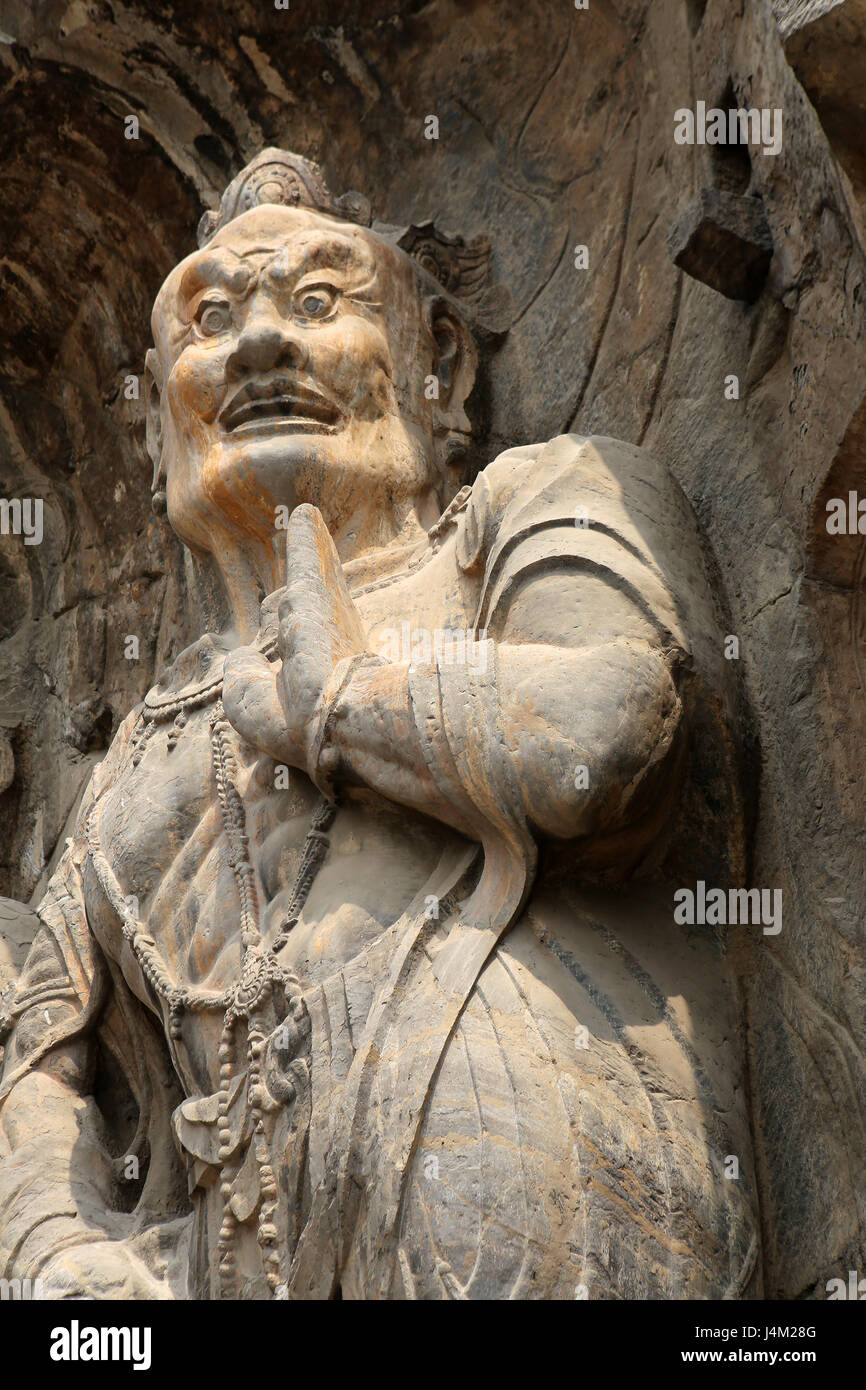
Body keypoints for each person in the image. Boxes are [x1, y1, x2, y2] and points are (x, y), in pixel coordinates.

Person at [0, 150, 759, 1300]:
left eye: (318, 304)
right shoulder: (135, 755)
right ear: (160, 426)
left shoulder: (527, 507)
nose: (257, 346)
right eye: (209, 321)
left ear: (435, 365)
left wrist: (346, 699)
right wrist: (54, 1244)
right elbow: (34, 1061)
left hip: (538, 1198)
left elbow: (609, 734)